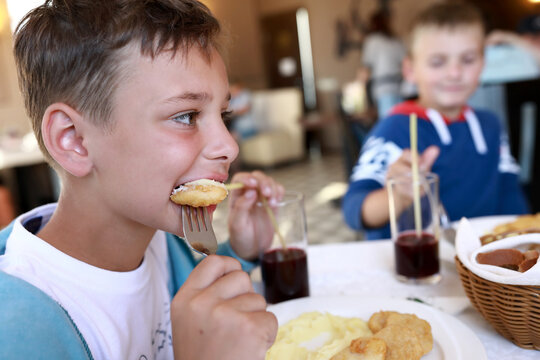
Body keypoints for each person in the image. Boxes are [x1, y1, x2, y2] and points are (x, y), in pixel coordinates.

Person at [0, 1, 284, 359]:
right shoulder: (17, 333)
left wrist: (241, 251)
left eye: (222, 114)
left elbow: (197, 302)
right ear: (73, 139)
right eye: (186, 116)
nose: (229, 145)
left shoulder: (164, 242)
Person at [342, 2, 529, 240]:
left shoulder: (490, 124)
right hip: (415, 267)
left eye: (468, 59)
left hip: (480, 267)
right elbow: (353, 210)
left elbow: (509, 192)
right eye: (438, 62)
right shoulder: (394, 129)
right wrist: (397, 195)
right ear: (410, 69)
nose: (454, 72)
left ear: (483, 64)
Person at [361, 10, 406, 119]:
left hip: (384, 89)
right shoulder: (396, 41)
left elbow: (366, 69)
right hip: (400, 88)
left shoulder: (372, 41)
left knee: (389, 123)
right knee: (400, 121)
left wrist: (361, 90)